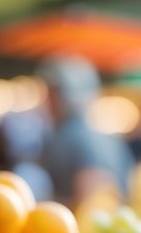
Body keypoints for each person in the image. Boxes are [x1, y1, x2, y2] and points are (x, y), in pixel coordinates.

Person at [37, 55, 134, 205]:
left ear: (64, 95)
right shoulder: (104, 133)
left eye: (51, 94)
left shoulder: (73, 136)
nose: (46, 101)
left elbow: (91, 195)